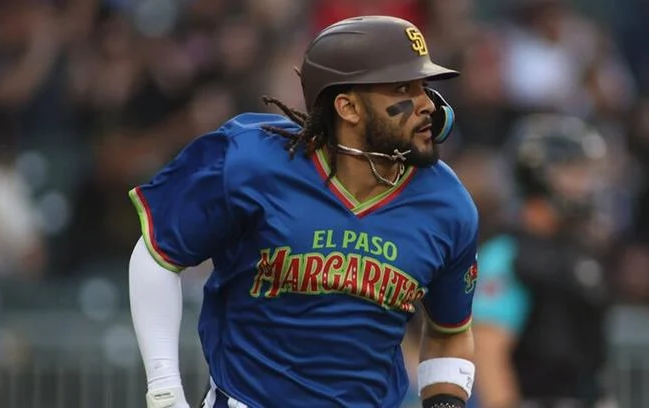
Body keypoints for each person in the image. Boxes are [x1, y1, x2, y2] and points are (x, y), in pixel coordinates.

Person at [128, 15, 479, 408]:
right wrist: (164, 388)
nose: (428, 104)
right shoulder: (250, 162)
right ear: (348, 107)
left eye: (424, 87)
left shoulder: (447, 203)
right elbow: (158, 254)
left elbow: (449, 332)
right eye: (404, 88)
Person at [471, 114, 614, 408]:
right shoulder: (508, 253)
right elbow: (489, 350)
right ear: (536, 174)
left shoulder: (579, 251)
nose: (585, 185)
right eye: (572, 171)